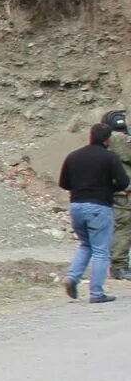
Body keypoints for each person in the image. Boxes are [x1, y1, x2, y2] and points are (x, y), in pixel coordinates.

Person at [57, 121, 130, 304]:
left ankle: (72, 277)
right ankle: (96, 293)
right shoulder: (109, 157)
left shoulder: (73, 156)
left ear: (90, 136)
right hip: (99, 207)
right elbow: (122, 183)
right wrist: (107, 187)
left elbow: (64, 183)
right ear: (108, 141)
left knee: (85, 245)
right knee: (100, 251)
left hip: (76, 207)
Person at [103, 111, 131, 280]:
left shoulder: (107, 139)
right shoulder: (118, 139)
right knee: (124, 226)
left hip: (120, 190)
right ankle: (119, 266)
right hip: (123, 193)